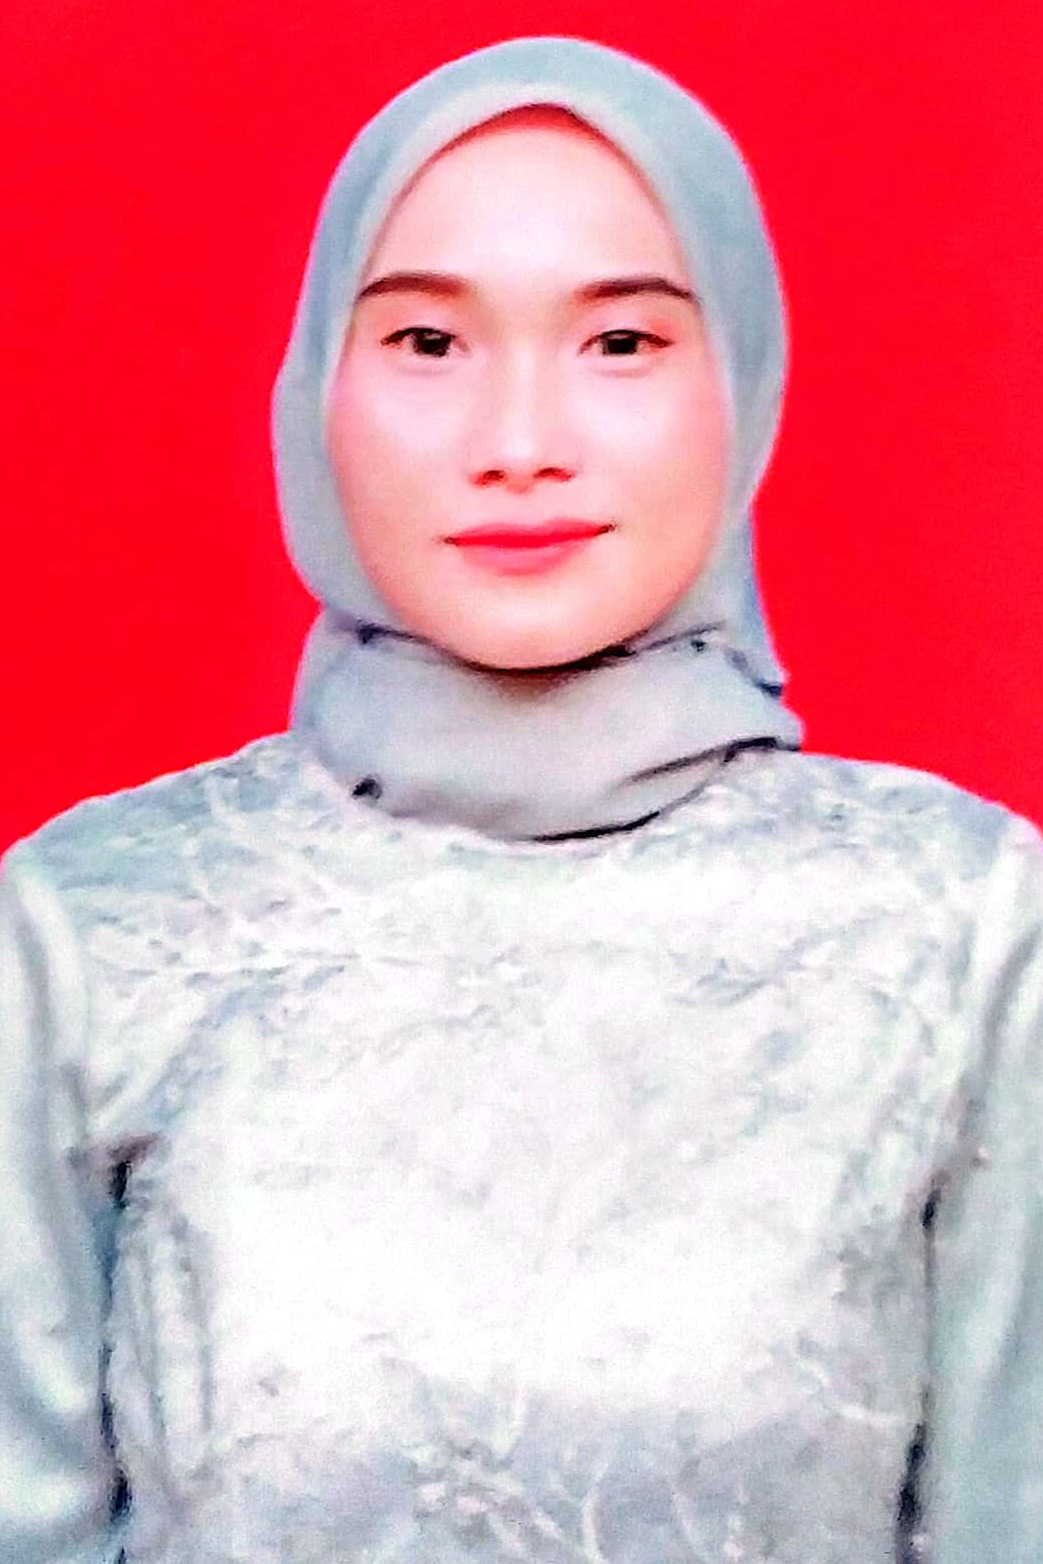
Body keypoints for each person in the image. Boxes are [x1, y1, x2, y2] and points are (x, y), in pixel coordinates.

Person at [1, 32, 1041, 1564]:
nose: (520, 446)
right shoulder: (89, 930)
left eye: (620, 342)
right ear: (318, 384)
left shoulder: (964, 929)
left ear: (742, 380)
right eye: (430, 342)